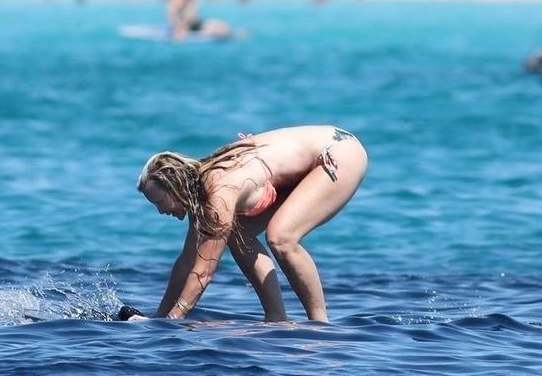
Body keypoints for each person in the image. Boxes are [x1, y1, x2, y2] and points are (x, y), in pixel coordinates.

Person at [132, 126, 368, 322]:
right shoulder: (199, 192)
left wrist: (175, 319)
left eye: (160, 202)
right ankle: (276, 319)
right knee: (238, 235)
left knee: (281, 237)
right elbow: (187, 262)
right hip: (309, 160)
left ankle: (320, 326)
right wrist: (159, 319)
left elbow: (203, 273)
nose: (161, 211)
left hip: (338, 151)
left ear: (176, 188)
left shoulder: (219, 193)